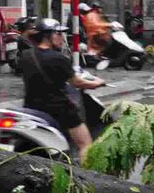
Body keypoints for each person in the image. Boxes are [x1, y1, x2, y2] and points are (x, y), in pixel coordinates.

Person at [18, 18, 103, 162]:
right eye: (58, 34)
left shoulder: (26, 56)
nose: (62, 38)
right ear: (48, 35)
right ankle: (85, 173)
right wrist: (97, 83)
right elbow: (77, 82)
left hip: (31, 107)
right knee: (85, 144)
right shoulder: (59, 58)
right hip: (59, 109)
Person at [79, 2, 113, 69]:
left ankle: (100, 56)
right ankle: (99, 57)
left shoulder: (96, 15)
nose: (101, 9)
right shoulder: (91, 15)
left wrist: (107, 27)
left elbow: (100, 24)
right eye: (100, 8)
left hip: (97, 34)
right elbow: (95, 25)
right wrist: (108, 25)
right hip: (94, 35)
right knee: (107, 42)